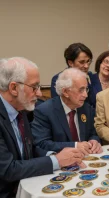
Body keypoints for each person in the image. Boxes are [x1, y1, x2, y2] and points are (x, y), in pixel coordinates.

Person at [0, 57, 85, 197]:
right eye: (34, 87)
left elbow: (29, 150)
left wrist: (56, 155)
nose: (39, 93)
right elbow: (8, 169)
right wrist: (56, 161)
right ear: (14, 88)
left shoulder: (22, 110)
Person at [32, 68, 102, 154]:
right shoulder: (45, 111)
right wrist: (75, 145)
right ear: (65, 92)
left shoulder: (86, 109)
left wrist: (94, 141)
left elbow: (93, 133)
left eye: (86, 89)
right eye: (81, 90)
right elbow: (42, 143)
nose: (85, 95)